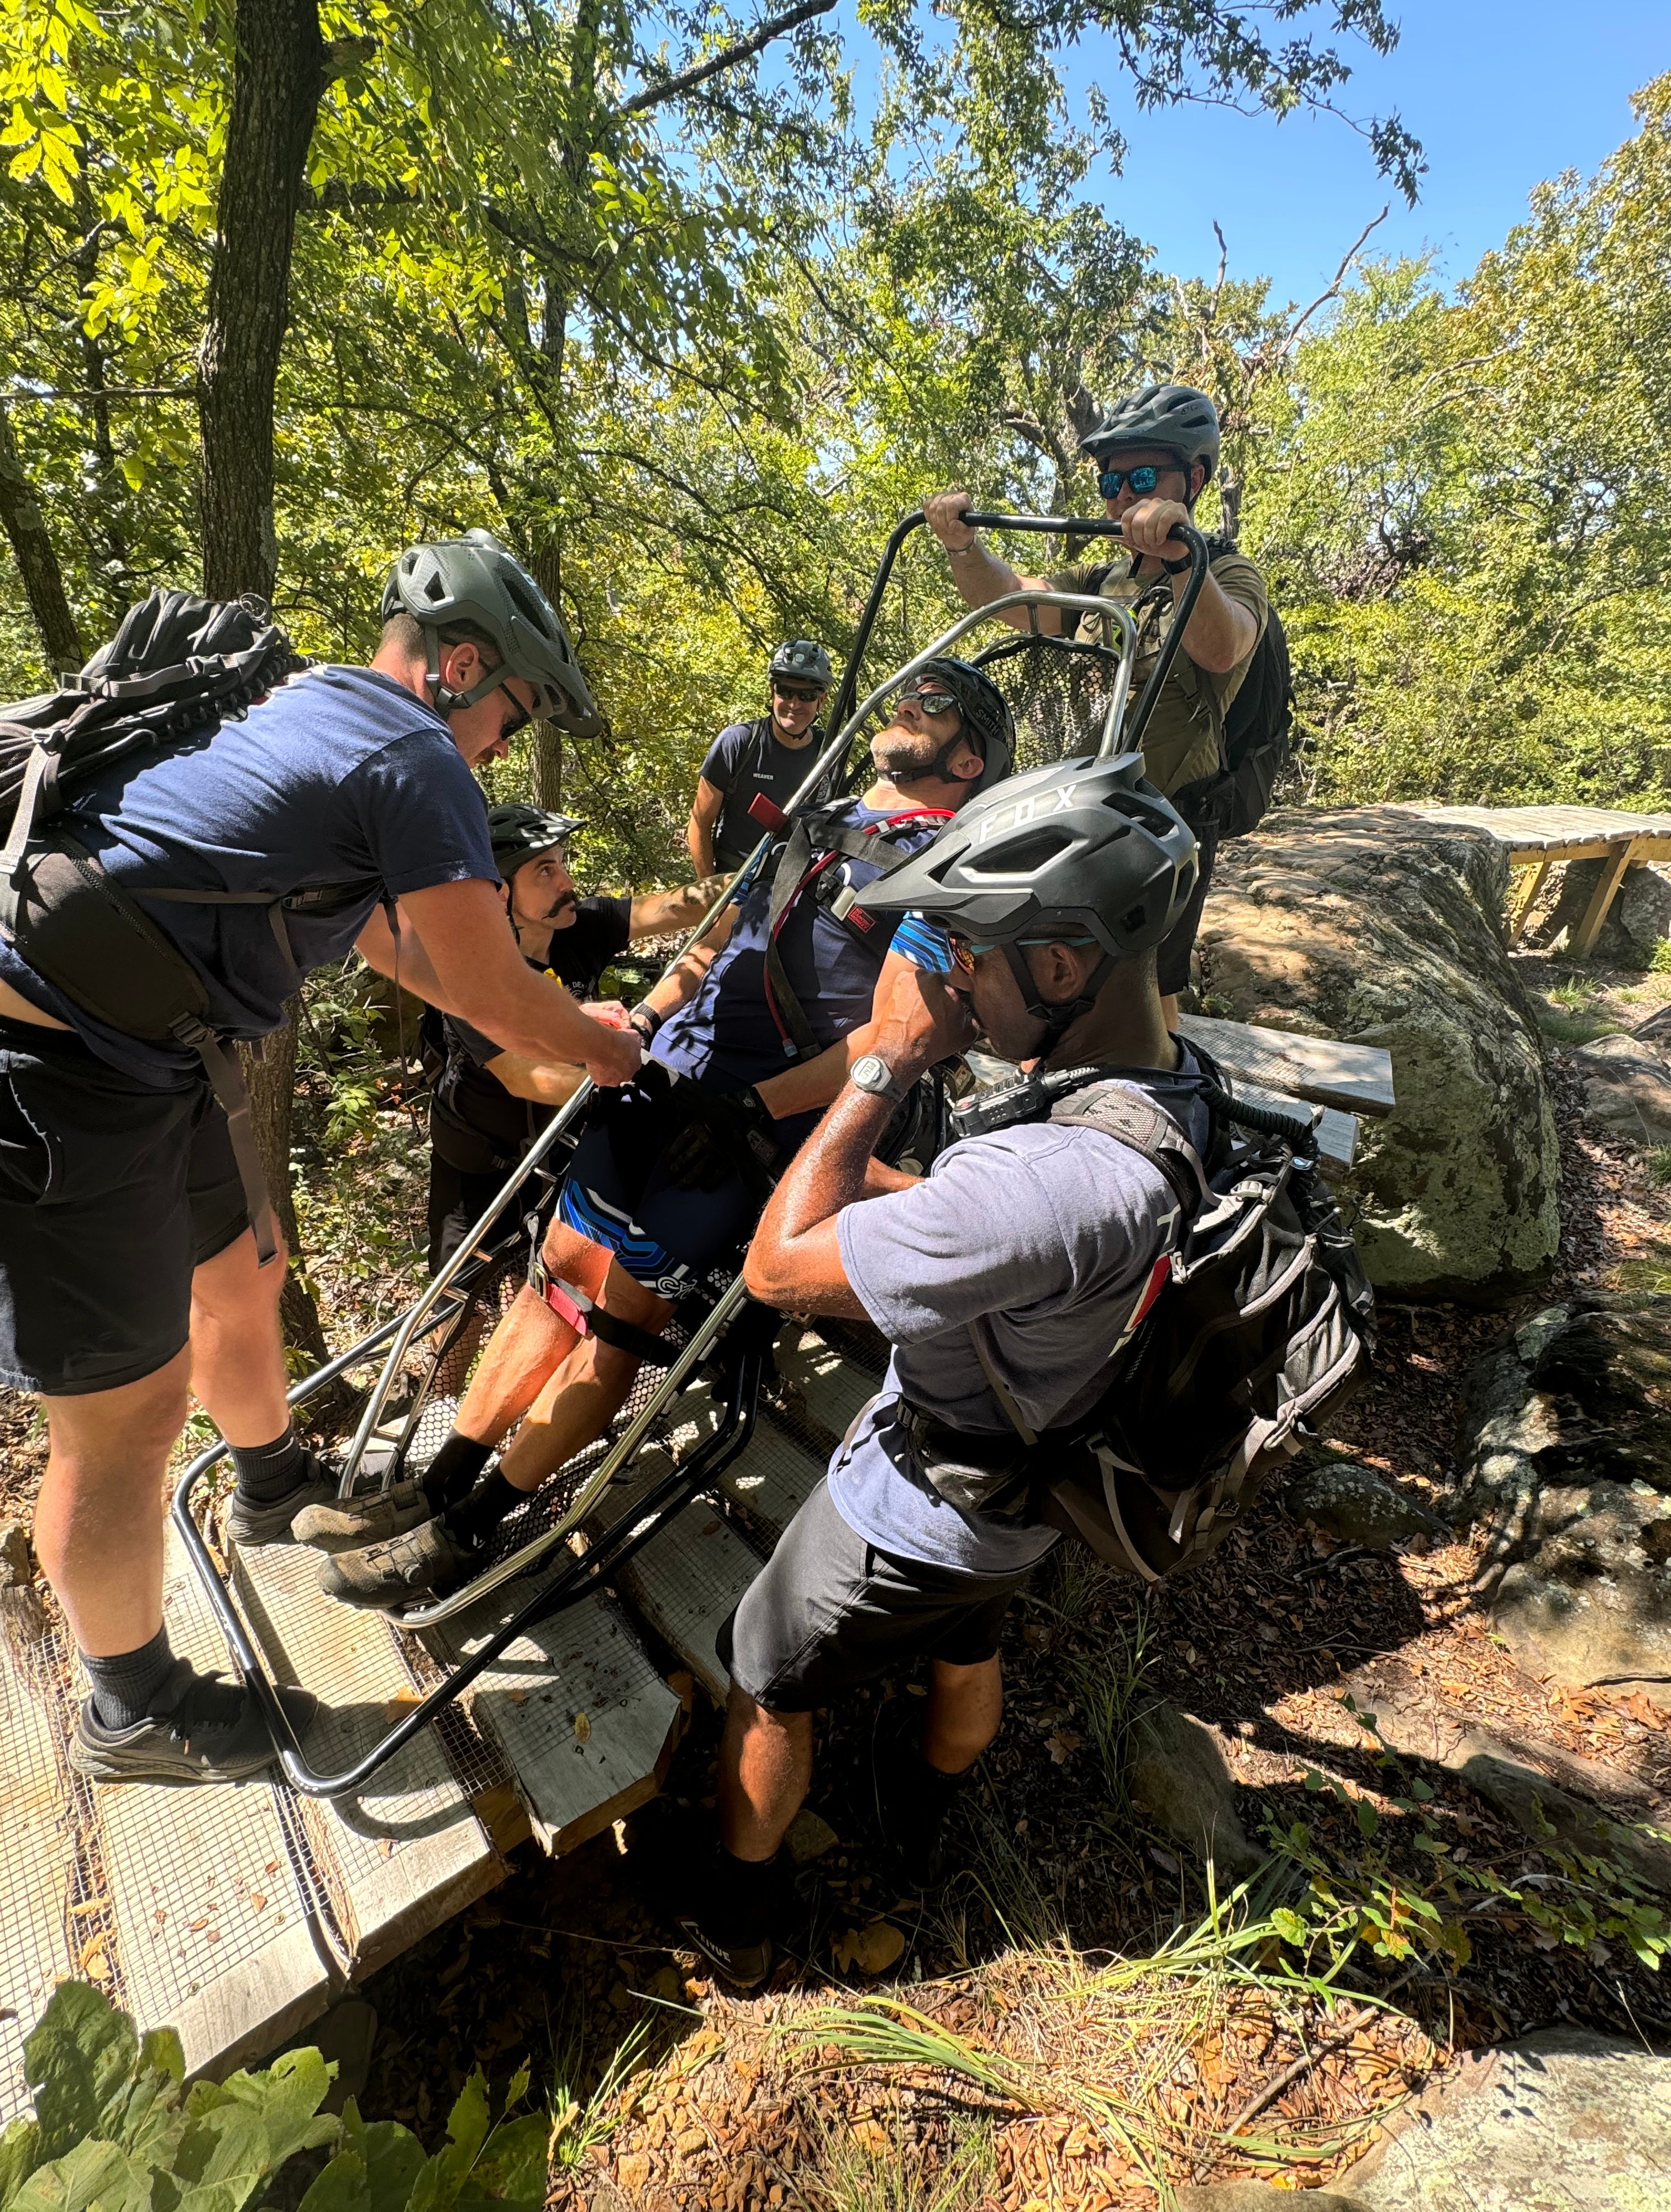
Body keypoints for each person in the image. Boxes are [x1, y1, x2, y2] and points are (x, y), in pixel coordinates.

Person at [0, 530, 642, 1786]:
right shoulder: (413, 754)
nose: (504, 743)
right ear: (462, 664)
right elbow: (494, 991)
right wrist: (603, 1045)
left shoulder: (312, 708)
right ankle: (130, 1709)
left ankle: (270, 1483)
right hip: (53, 1067)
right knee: (123, 1416)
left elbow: (401, 946)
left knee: (242, 1273)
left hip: (159, 1050)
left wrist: (542, 1020)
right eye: (514, 713)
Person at [304, 661, 1018, 1609]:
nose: (908, 702)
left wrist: (751, 1110)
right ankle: (438, 1484)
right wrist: (641, 1021)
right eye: (912, 690)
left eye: (935, 704)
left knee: (618, 1320)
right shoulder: (825, 815)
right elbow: (720, 934)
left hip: (745, 1129)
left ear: (966, 759)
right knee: (557, 1272)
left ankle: (468, 1529)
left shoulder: (942, 873)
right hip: (663, 1079)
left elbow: (891, 1037)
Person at [679, 749, 1208, 1985]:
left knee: (764, 1675)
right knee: (967, 1639)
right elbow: (994, 1228)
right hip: (1032, 1480)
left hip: (918, 1508)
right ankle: (919, 1824)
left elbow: (776, 1268)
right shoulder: (1167, 1087)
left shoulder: (1046, 1182)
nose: (954, 977)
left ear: (1064, 964)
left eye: (974, 950)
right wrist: (892, 1197)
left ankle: (738, 1923)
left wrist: (885, 1060)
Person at [923, 383, 1267, 1028]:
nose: (1124, 496)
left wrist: (1182, 558)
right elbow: (1008, 597)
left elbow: (1225, 648)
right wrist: (962, 546)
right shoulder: (1098, 582)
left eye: (1144, 477)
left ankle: (1161, 1084)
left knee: (1147, 994)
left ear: (1194, 479)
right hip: (1081, 816)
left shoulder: (1226, 573)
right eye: (1112, 482)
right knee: (1058, 978)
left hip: (1166, 826)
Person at [419, 801, 730, 1279]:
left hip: (561, 1145)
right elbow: (526, 1077)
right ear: (500, 892)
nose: (567, 882)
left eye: (562, 864)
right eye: (545, 872)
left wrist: (757, 874)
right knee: (460, 1296)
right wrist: (633, 1082)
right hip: (479, 1161)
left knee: (557, 1277)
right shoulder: (470, 972)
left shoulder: (580, 926)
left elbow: (674, 905)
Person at [686, 640, 834, 878]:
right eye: (785, 691)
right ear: (773, 692)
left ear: (822, 700)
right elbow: (699, 823)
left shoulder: (829, 753)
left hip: (796, 883)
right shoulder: (738, 742)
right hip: (734, 879)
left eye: (807, 695)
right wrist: (710, 887)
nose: (794, 703)